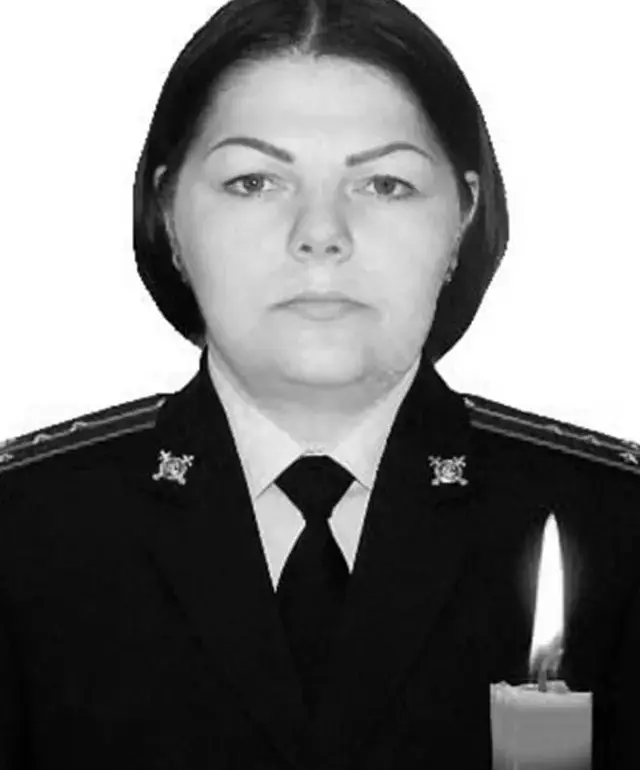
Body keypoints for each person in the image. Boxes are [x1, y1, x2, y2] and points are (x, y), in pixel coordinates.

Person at [1, 0, 639, 767]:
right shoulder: (23, 532)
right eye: (253, 181)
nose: (321, 234)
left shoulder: (615, 526)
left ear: (463, 216)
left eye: (386, 185)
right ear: (168, 212)